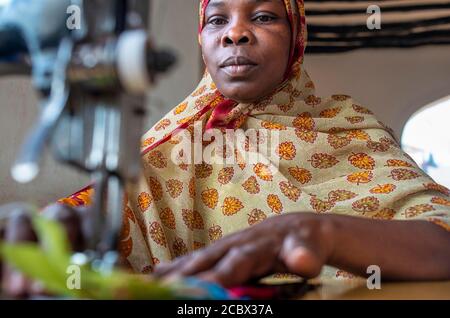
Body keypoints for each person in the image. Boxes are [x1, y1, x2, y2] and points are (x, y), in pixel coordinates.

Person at [2, 0, 450, 295]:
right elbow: (119, 220)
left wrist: (316, 231)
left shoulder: (348, 127)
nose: (235, 34)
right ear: (202, 39)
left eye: (264, 17)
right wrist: (70, 228)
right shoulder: (171, 143)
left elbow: (441, 240)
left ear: (297, 38)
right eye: (218, 20)